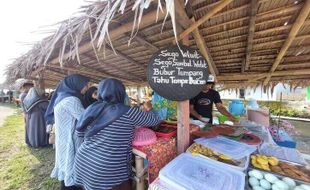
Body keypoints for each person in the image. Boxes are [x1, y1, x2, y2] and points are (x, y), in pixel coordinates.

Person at [74, 78, 161, 190]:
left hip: (84, 163)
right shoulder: (127, 111)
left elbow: (79, 134)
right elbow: (155, 119)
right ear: (121, 92)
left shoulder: (91, 108)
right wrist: (150, 108)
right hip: (107, 170)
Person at [45, 74, 89, 190]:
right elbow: (84, 119)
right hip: (71, 138)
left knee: (66, 165)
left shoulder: (62, 97)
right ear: (76, 84)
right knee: (72, 166)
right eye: (85, 85)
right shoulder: (71, 100)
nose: (86, 87)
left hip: (63, 137)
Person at [18, 81, 34, 145]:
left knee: (28, 127)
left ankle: (29, 140)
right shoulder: (24, 95)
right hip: (27, 112)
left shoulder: (24, 94)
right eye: (30, 87)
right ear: (26, 87)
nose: (31, 89)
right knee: (28, 127)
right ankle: (29, 140)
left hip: (26, 112)